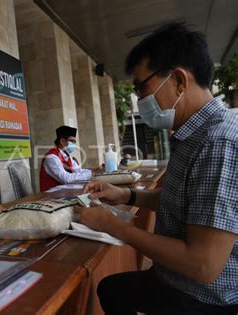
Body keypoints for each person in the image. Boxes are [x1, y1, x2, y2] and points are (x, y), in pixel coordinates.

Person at [77, 23, 237, 314]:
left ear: (178, 79)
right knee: (112, 289)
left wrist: (112, 225)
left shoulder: (218, 142)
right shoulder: (191, 133)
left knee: (113, 290)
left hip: (201, 296)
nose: (140, 102)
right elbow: (182, 201)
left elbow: (203, 265)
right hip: (176, 278)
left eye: (142, 87)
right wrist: (127, 196)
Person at [39, 125, 92, 192]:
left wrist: (94, 172)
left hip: (64, 193)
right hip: (50, 196)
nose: (74, 144)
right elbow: (66, 179)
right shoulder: (51, 158)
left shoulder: (67, 157)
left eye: (74, 142)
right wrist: (90, 174)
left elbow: (79, 171)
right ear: (62, 141)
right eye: (72, 141)